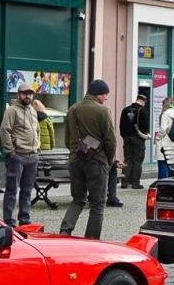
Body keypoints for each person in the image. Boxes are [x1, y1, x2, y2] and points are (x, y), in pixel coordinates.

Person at [61, 80, 116, 239]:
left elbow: (67, 138)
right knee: (97, 205)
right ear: (99, 94)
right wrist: (109, 160)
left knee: (78, 199)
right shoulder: (103, 111)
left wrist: (75, 152)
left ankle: (65, 230)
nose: (106, 98)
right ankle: (91, 240)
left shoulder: (73, 109)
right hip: (96, 162)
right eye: (105, 94)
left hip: (75, 160)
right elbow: (110, 141)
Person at [0, 85, 41, 228]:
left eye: (30, 94)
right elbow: (5, 131)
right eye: (24, 93)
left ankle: (24, 219)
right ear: (18, 94)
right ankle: (9, 222)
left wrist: (37, 149)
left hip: (32, 156)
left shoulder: (33, 111)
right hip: (18, 156)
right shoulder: (12, 110)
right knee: (11, 190)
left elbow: (37, 130)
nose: (27, 96)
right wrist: (11, 152)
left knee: (27, 191)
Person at [118, 91, 148, 192]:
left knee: (128, 159)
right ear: (143, 101)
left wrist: (124, 136)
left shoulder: (125, 110)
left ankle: (124, 182)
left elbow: (121, 125)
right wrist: (144, 134)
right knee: (137, 160)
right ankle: (135, 183)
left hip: (127, 137)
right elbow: (145, 126)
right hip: (138, 138)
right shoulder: (142, 110)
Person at [155, 90, 174, 178]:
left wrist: (157, 137)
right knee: (171, 164)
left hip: (164, 142)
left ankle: (162, 183)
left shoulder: (165, 114)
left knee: (162, 163)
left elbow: (163, 129)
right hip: (173, 142)